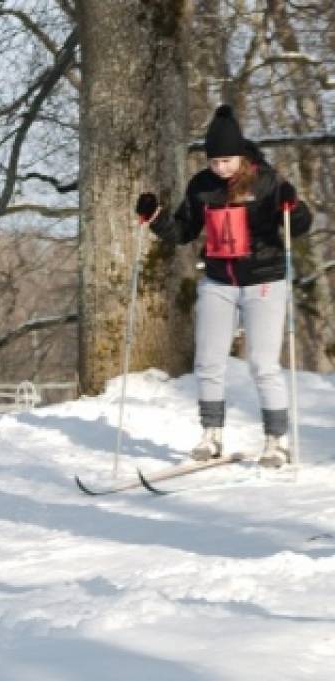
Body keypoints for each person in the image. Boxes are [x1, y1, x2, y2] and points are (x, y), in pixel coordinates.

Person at [136, 104, 311, 468]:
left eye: (227, 161)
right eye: (214, 161)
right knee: (208, 361)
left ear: (241, 155)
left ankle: (276, 440)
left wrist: (293, 208)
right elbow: (183, 232)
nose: (220, 168)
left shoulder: (266, 181)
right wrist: (155, 219)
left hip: (264, 279)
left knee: (263, 363)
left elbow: (299, 225)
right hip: (218, 280)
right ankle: (211, 435)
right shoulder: (202, 186)